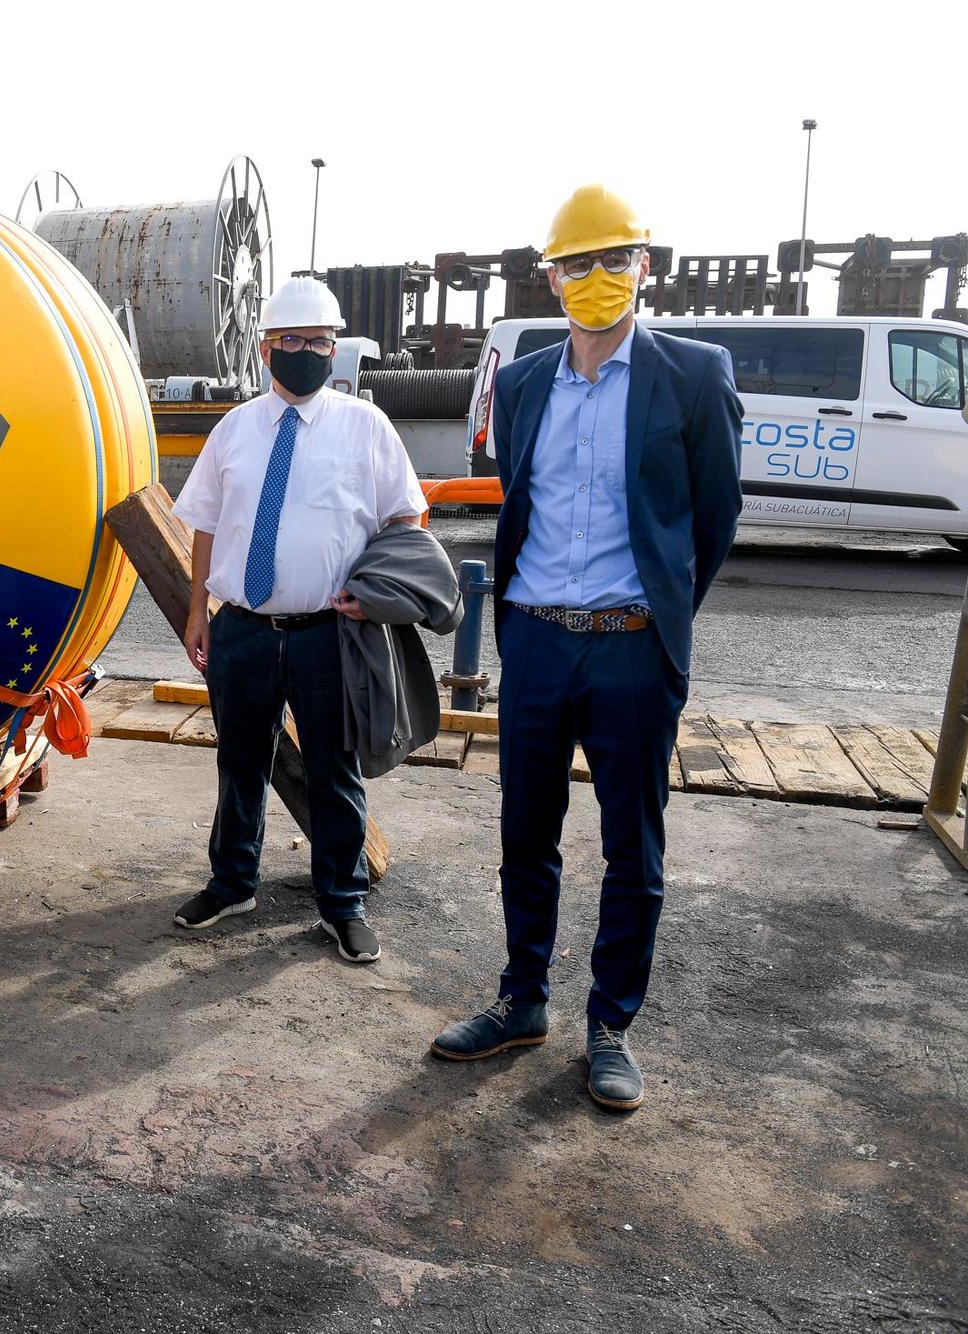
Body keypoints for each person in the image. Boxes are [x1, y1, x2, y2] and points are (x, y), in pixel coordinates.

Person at [428, 186, 743, 1112]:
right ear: (552, 275)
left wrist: (663, 615)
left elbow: (714, 520)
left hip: (629, 648)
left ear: (644, 266)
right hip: (534, 641)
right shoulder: (523, 381)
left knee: (630, 846)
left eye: (616, 260)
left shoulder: (692, 373)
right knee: (524, 833)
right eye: (579, 264)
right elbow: (516, 500)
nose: (597, 280)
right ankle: (523, 999)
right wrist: (523, 629)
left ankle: (611, 1024)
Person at [171, 276, 428, 961]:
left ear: (335, 348)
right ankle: (232, 883)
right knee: (240, 764)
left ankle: (342, 905)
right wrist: (200, 610)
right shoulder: (234, 429)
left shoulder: (364, 427)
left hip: (330, 634)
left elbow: (407, 517)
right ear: (265, 348)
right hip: (244, 632)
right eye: (292, 340)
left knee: (333, 770)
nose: (306, 352)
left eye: (319, 341)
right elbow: (202, 524)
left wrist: (377, 590)